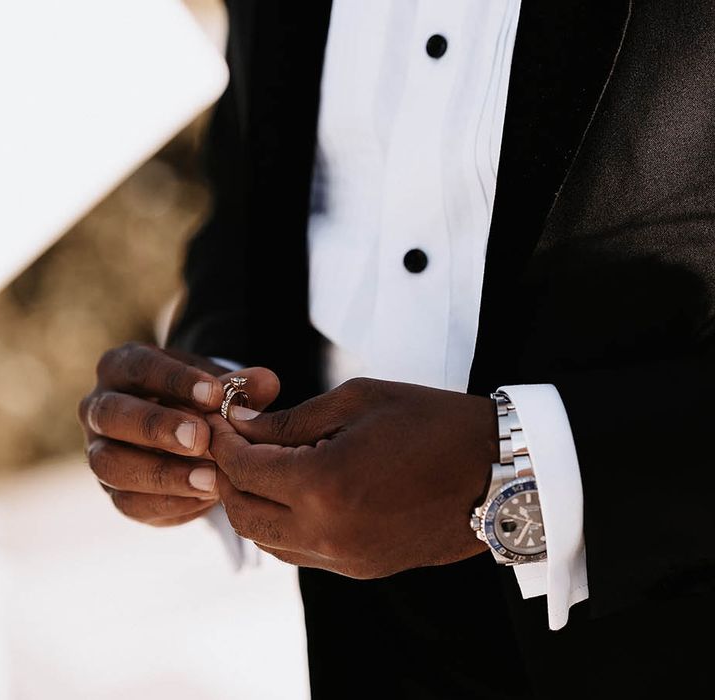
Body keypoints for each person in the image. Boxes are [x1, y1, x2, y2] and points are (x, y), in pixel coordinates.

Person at [77, 2, 715, 697]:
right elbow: (253, 183)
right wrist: (212, 392)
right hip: (355, 625)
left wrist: (517, 476)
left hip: (670, 608)